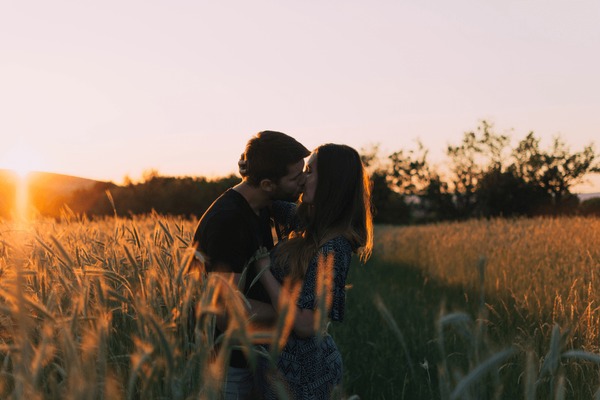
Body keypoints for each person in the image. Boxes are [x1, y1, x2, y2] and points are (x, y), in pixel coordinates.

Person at [192, 130, 310, 400]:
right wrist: (289, 315)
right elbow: (223, 308)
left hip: (254, 357)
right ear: (268, 184)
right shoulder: (229, 221)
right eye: (296, 177)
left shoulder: (262, 206)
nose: (303, 181)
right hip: (228, 365)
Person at [254, 143, 374, 399]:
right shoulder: (310, 225)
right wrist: (253, 170)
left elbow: (306, 325)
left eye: (309, 171)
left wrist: (263, 272)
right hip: (279, 367)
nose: (302, 178)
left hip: (306, 374)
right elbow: (266, 197)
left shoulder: (335, 246)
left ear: (329, 183)